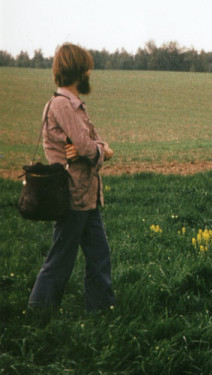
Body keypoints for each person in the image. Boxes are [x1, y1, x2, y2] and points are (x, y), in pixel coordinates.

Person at [28, 43, 116, 313]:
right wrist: (100, 150)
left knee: (99, 257)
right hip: (73, 196)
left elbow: (90, 146)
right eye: (88, 68)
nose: (90, 73)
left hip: (87, 197)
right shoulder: (63, 106)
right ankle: (38, 311)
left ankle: (101, 312)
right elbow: (91, 147)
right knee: (61, 260)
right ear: (79, 72)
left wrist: (93, 149)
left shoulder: (74, 105)